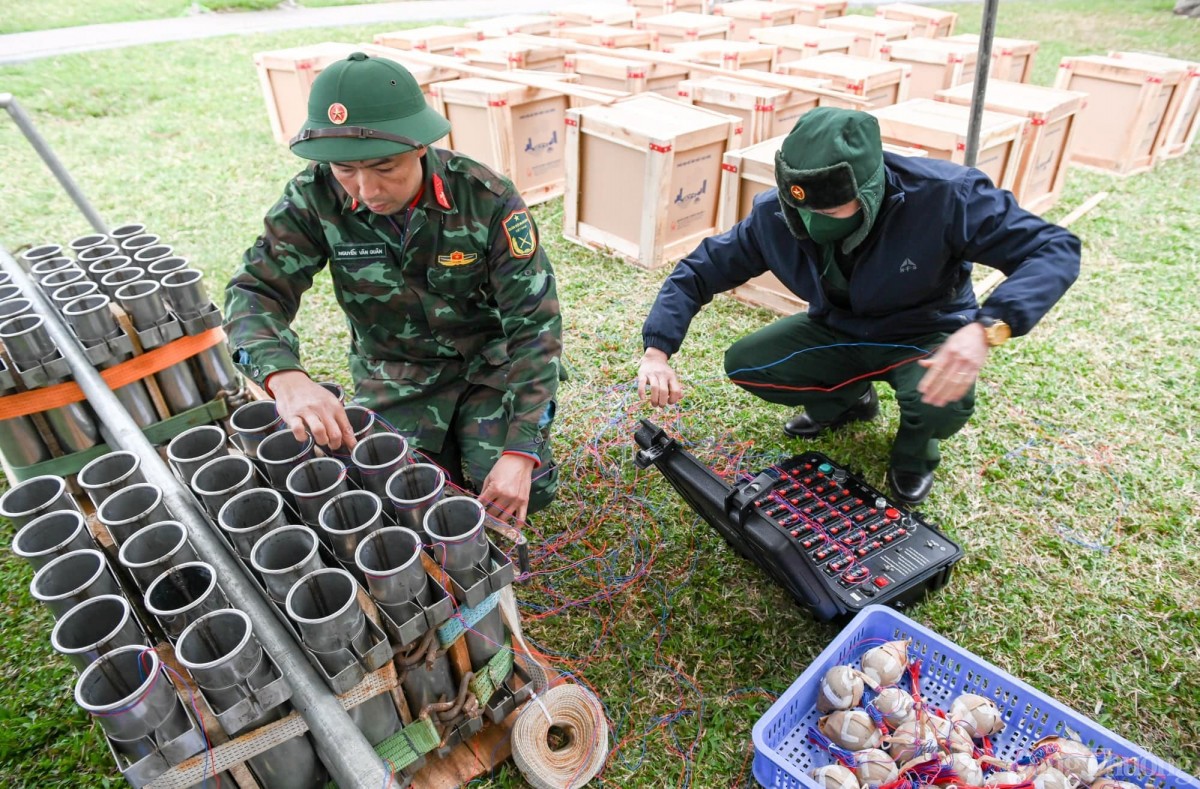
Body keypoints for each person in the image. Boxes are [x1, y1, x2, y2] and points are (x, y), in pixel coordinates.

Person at [637, 108, 1080, 505]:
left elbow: (1053, 249)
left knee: (943, 401)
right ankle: (851, 402)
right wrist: (657, 351)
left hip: (925, 334)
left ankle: (916, 452)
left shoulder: (946, 195)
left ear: (870, 187)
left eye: (829, 213)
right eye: (799, 208)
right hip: (840, 329)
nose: (810, 224)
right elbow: (699, 270)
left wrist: (987, 329)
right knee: (748, 364)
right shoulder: (775, 215)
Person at [225, 52, 562, 522]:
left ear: (420, 146)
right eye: (346, 170)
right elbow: (255, 292)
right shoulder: (313, 197)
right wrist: (285, 377)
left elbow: (535, 327)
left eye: (385, 167)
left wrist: (521, 453)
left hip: (490, 367)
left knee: (522, 485)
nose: (366, 189)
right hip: (395, 374)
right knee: (395, 486)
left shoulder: (485, 198)